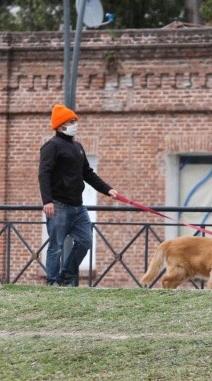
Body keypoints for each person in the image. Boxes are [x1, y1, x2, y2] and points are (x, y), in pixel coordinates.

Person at [39, 104, 119, 286]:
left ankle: (65, 278)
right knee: (56, 246)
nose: (75, 124)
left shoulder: (77, 147)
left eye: (75, 120)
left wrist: (107, 189)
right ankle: (52, 283)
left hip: (78, 206)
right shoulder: (51, 147)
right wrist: (47, 201)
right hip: (58, 205)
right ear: (60, 125)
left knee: (85, 241)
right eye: (71, 121)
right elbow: (44, 174)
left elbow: (88, 173)